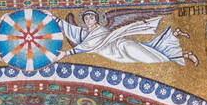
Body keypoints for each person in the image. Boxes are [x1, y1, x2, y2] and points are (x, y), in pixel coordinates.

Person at [61, 9, 198, 67]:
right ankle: (177, 40)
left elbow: (87, 46)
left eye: (91, 17)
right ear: (83, 20)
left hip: (121, 46)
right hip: (116, 54)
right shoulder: (83, 33)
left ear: (97, 19)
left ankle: (184, 55)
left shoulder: (100, 30)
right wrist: (51, 17)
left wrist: (67, 53)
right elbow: (68, 28)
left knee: (150, 58)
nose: (89, 19)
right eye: (86, 17)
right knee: (150, 49)